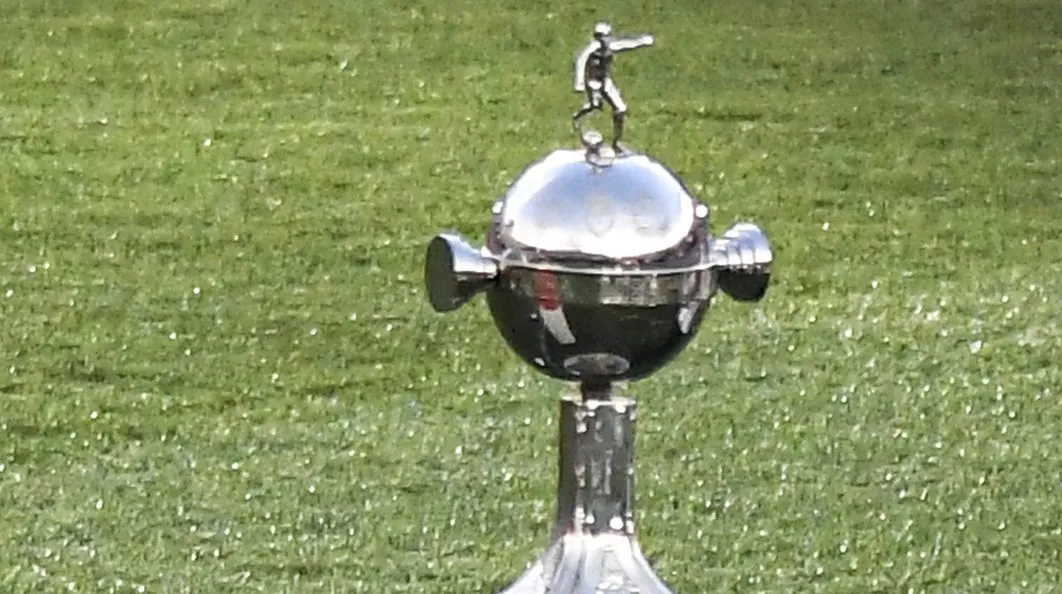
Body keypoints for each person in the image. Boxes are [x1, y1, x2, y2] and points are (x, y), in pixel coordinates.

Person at [572, 22, 654, 152]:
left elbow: (626, 45)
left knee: (621, 109)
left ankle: (617, 142)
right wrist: (579, 83)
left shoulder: (610, 46)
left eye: (606, 36)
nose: (604, 39)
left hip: (606, 82)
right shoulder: (592, 49)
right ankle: (578, 117)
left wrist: (642, 41)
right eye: (600, 36)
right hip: (593, 81)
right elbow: (581, 61)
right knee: (595, 105)